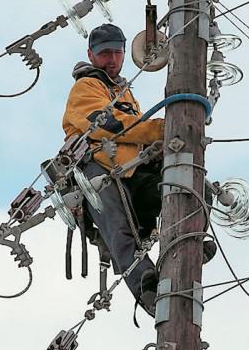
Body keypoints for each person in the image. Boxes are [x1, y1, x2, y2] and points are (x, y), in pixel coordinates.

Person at [62, 24, 215, 316]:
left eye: (116, 53)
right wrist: (161, 129)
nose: (111, 59)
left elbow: (132, 134)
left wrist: (160, 145)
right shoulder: (86, 87)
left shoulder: (123, 93)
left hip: (132, 172)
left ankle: (190, 244)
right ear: (91, 55)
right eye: (104, 53)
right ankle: (148, 288)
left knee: (191, 188)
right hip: (98, 169)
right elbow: (109, 125)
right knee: (118, 228)